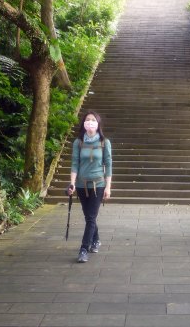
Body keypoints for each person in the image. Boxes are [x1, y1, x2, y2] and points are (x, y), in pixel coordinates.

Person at [68, 110, 112, 263]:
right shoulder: (78, 142)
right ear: (84, 124)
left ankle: (83, 249)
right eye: (88, 120)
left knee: (91, 217)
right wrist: (72, 183)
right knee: (89, 217)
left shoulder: (104, 142)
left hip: (98, 184)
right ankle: (96, 240)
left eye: (93, 120)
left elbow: (109, 165)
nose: (90, 122)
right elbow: (74, 164)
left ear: (98, 123)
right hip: (81, 185)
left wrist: (108, 187)